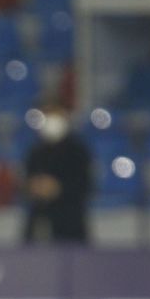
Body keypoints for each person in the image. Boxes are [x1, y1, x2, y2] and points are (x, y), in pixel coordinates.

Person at [22, 104, 93, 244]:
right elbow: (26, 182)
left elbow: (85, 185)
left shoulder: (78, 150)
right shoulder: (36, 151)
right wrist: (34, 187)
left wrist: (58, 188)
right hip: (40, 221)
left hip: (71, 222)